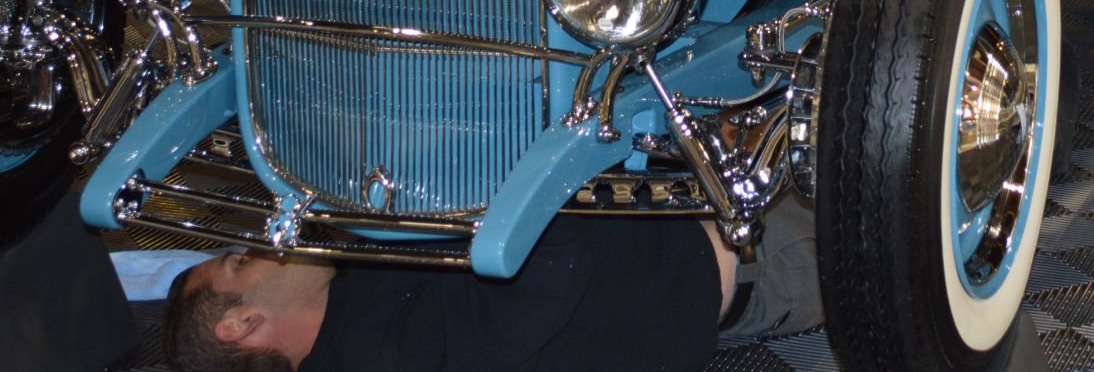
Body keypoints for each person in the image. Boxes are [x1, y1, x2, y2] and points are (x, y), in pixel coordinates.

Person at [163, 202, 822, 372]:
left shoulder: (356, 297)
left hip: (699, 205)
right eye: (239, 264)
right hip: (764, 247)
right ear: (240, 325)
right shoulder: (387, 356)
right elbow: (544, 264)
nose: (266, 248)